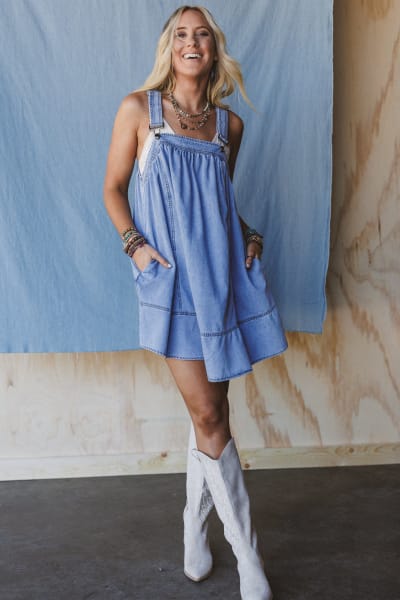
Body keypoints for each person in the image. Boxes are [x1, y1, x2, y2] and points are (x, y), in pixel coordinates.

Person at [103, 5, 287, 599]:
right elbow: (112, 189)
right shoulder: (139, 111)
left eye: (201, 34)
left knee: (211, 414)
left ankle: (193, 533)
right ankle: (249, 558)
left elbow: (215, 206)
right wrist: (135, 247)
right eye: (181, 34)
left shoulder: (229, 126)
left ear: (214, 49)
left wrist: (249, 233)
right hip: (172, 283)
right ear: (169, 48)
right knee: (209, 415)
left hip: (221, 283)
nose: (191, 42)